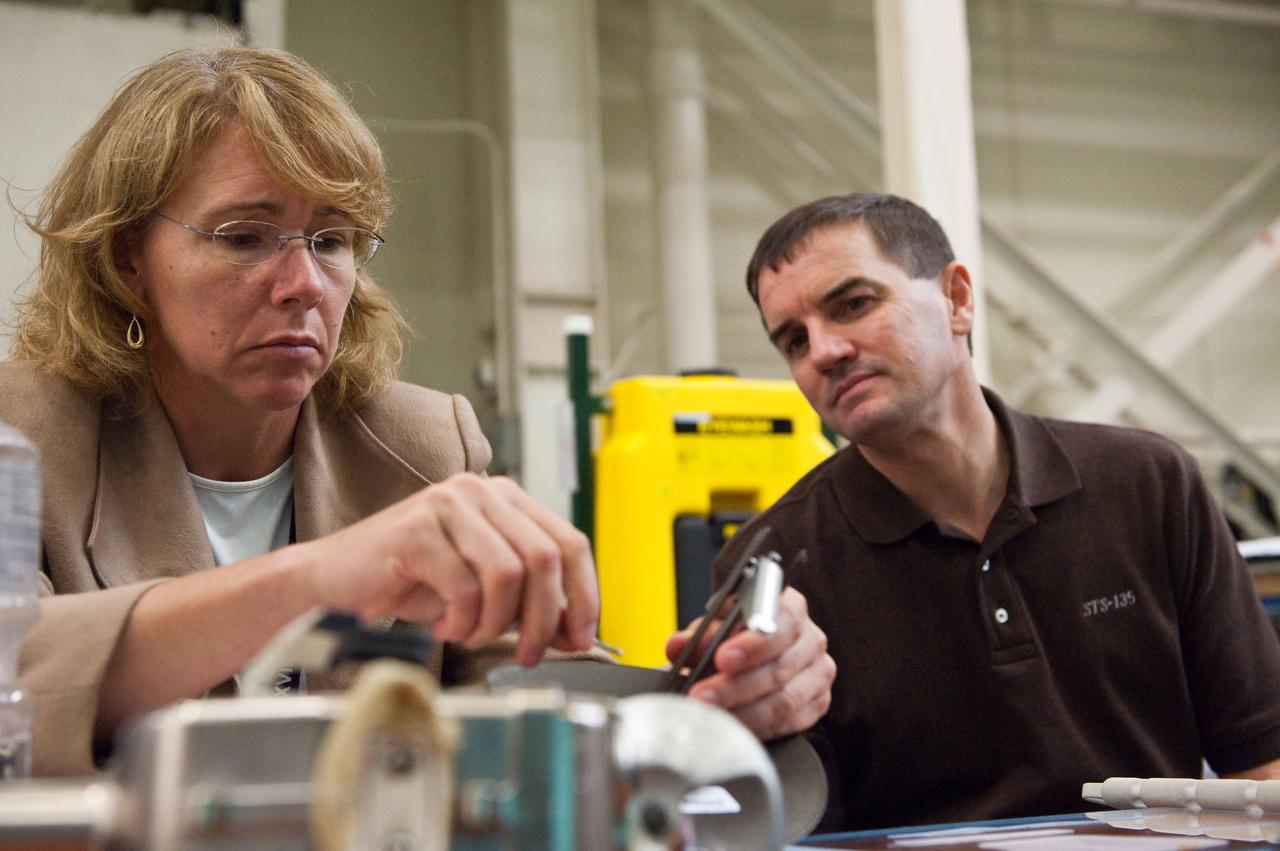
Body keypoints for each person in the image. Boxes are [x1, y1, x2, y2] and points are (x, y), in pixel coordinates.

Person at [6, 46, 832, 776]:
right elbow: (18, 676)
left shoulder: (423, 444)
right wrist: (316, 577)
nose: (303, 285)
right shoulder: (23, 437)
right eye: (244, 236)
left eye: (332, 240)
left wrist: (717, 701)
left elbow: (536, 699)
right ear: (128, 258)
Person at [714, 192, 1280, 832]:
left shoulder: (1150, 485)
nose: (823, 352)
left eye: (853, 304)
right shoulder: (772, 568)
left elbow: (1261, 764)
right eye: (793, 340)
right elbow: (792, 833)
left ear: (956, 300)